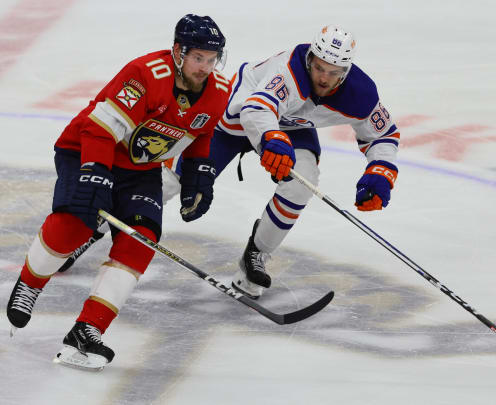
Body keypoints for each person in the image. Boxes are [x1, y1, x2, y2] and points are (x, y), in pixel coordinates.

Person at [6, 14, 230, 369]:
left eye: (211, 58)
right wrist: (94, 172)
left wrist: (198, 174)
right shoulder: (144, 76)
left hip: (139, 169)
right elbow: (98, 130)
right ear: (178, 52)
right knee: (77, 223)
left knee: (141, 238)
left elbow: (200, 134)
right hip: (87, 149)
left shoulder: (218, 90)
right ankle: (30, 283)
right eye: (197, 57)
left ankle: (87, 330)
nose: (205, 67)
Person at [163, 25, 401, 299]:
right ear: (311, 58)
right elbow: (256, 109)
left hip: (289, 125)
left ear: (345, 73)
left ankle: (257, 252)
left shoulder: (361, 93)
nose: (324, 78)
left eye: (333, 73)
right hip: (235, 120)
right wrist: (271, 138)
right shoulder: (289, 70)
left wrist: (381, 171)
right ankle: (110, 221)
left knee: (303, 182)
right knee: (175, 179)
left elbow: (384, 134)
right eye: (320, 68)